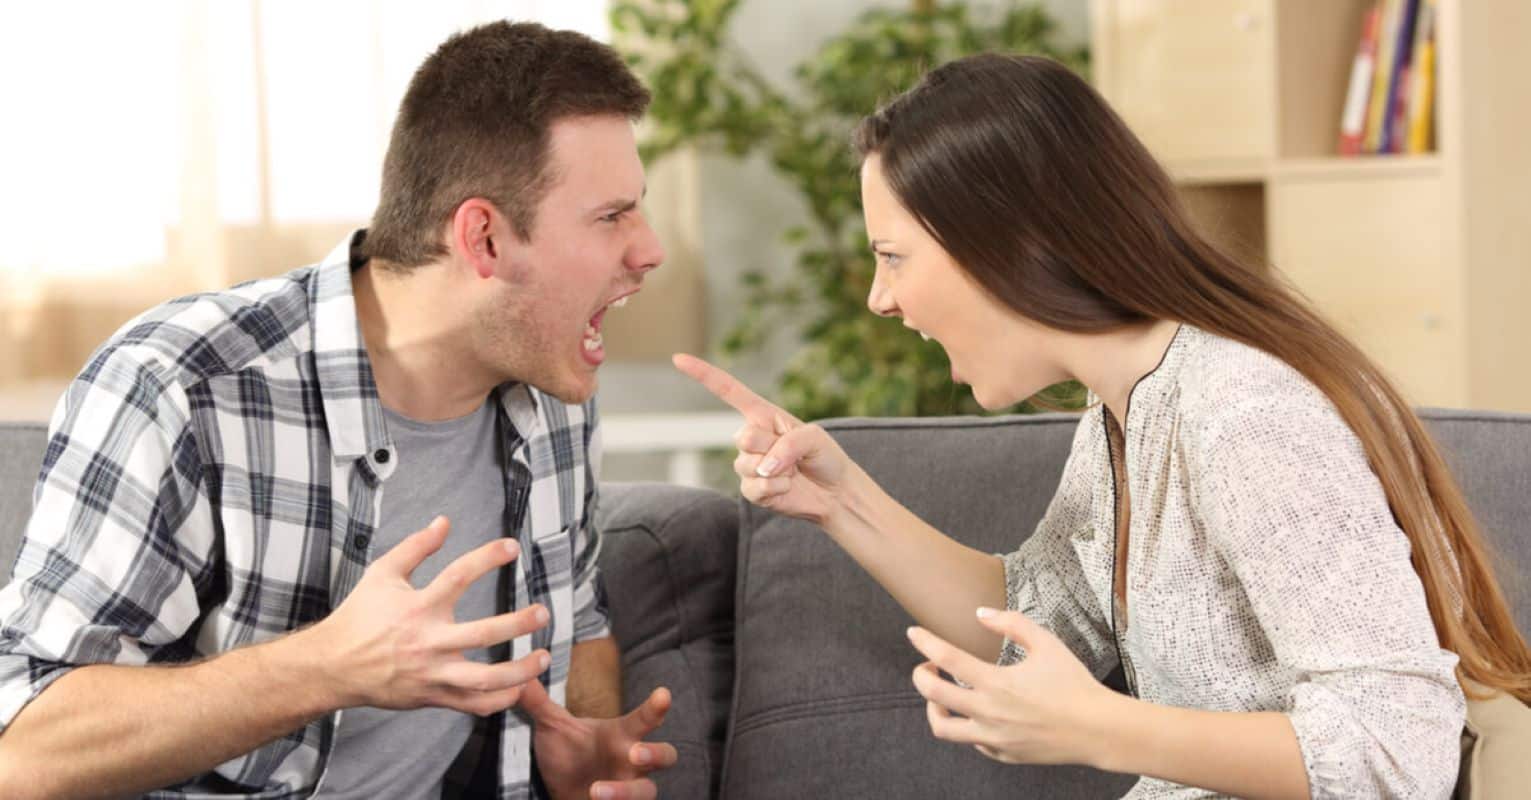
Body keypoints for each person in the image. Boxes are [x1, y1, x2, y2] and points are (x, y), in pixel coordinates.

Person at [675, 53, 1531, 798]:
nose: (880, 299)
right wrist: (842, 502)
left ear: (1006, 243)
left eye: (892, 257)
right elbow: (1032, 627)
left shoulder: (1243, 414)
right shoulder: (1126, 408)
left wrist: (1101, 729)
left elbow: (1397, 750)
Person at [0, 21, 677, 800]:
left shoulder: (550, 388)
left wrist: (580, 743)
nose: (650, 249)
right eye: (610, 216)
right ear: (484, 238)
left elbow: (579, 619)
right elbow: (21, 748)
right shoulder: (183, 387)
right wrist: (325, 668)